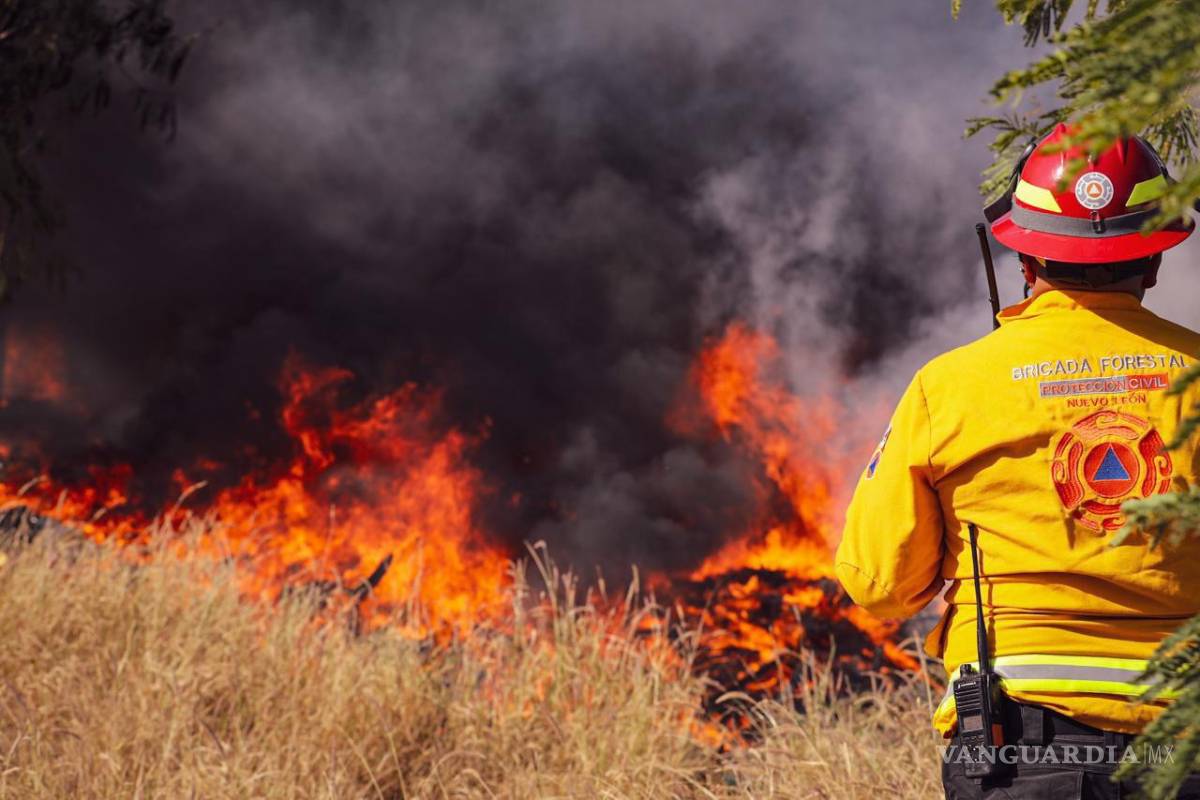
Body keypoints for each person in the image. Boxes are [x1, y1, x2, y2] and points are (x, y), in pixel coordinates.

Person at [836, 123, 1200, 799]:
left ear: (1023, 261)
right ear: (1154, 260)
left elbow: (880, 585)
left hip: (1014, 751)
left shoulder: (949, 388)